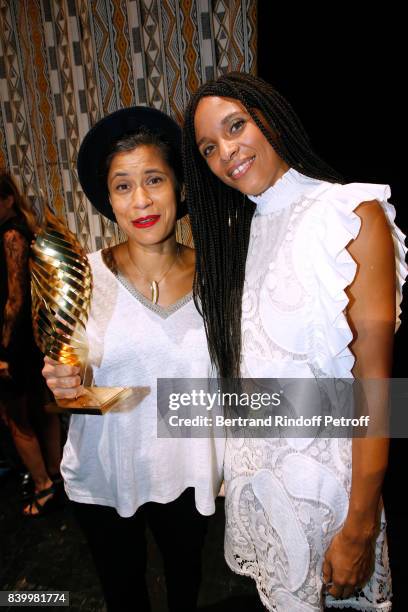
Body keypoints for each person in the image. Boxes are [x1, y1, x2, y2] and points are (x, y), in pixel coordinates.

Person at [181, 72, 406, 611]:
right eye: (209, 147)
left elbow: (375, 389)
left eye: (236, 126)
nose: (226, 152)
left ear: (272, 118)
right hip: (263, 495)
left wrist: (359, 525)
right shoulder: (240, 235)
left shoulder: (349, 216)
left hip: (332, 503)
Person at [42, 106, 224, 612]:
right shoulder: (84, 278)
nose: (140, 199)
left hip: (187, 470)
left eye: (153, 180)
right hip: (105, 472)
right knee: (124, 595)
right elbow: (74, 381)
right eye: (122, 186)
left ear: (180, 188)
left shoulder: (219, 278)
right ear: (109, 200)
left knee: (186, 585)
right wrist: (67, 381)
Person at [0, 171, 62, 516]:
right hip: (31, 338)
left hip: (16, 341)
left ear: (8, 199)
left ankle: (43, 485)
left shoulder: (11, 235)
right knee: (42, 408)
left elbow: (14, 300)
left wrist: (5, 353)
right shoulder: (21, 231)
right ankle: (54, 474)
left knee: (15, 417)